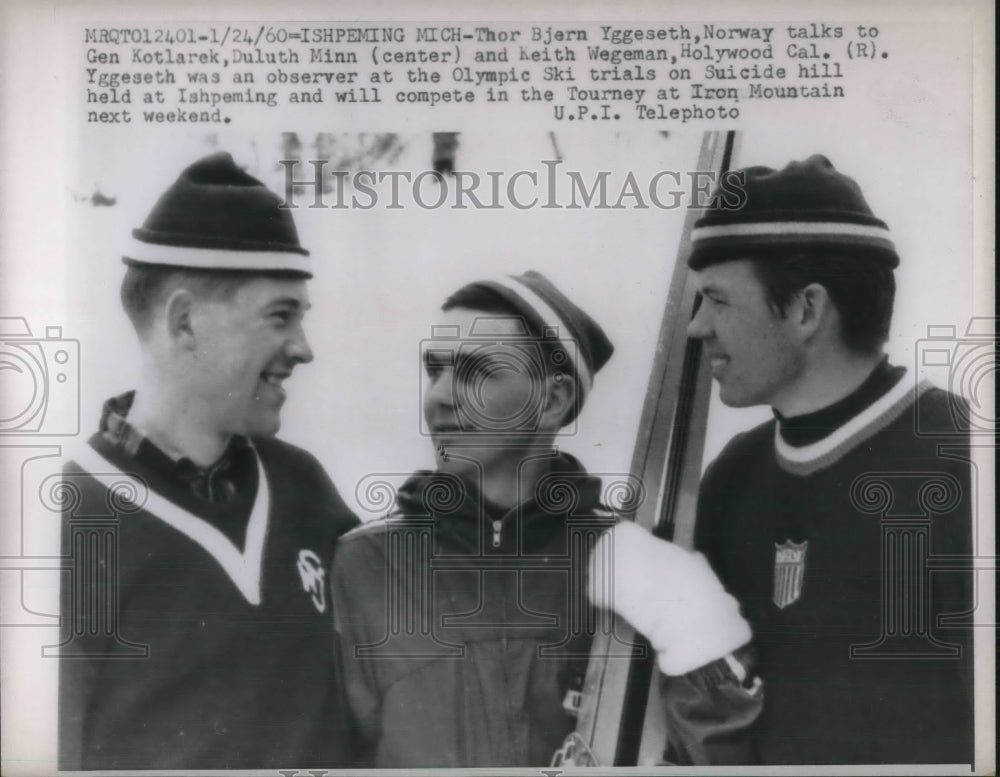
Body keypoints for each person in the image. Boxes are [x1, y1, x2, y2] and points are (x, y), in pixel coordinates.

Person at [331, 271, 759, 767]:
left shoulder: (635, 567)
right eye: (434, 370)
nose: (439, 397)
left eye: (474, 372)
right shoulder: (363, 564)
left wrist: (700, 627)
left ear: (552, 402)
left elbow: (723, 758)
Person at [57, 152, 359, 769]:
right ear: (185, 319)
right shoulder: (66, 522)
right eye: (281, 316)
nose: (303, 348)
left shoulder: (303, 487)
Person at [681, 155, 974, 764]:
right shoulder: (734, 476)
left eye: (716, 301)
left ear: (806, 309)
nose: (696, 327)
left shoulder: (966, 462)